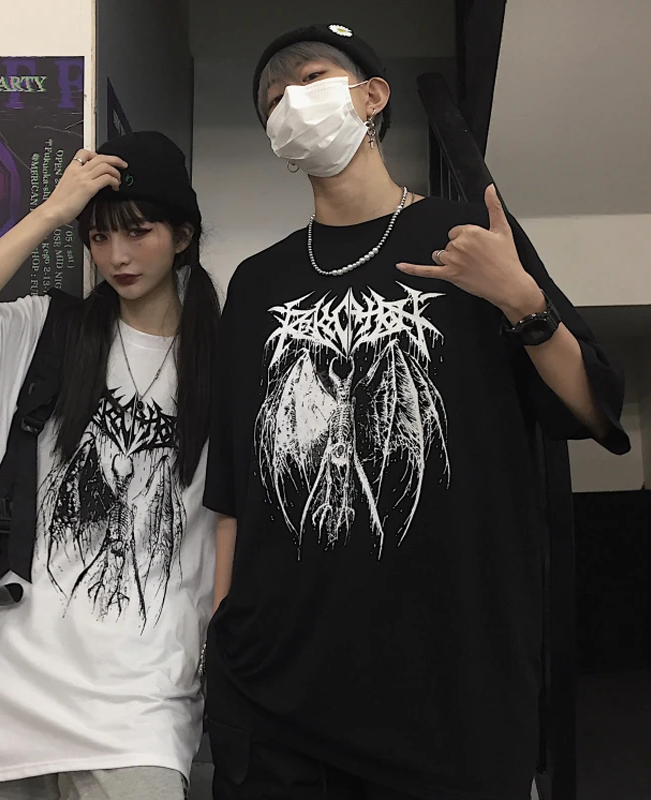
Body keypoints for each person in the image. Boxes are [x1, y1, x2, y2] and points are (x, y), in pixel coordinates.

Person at [204, 23, 630, 800]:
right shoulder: (258, 283)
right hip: (280, 692)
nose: (290, 101)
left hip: (450, 693)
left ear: (372, 95)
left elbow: (593, 410)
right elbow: (236, 484)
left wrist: (520, 299)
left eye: (310, 78)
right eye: (272, 99)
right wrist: (221, 637)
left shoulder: (464, 237)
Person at [0, 131, 219, 799]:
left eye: (138, 231)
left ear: (183, 236)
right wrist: (54, 211)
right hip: (3, 674)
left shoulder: (223, 360)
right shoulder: (47, 330)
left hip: (141, 688)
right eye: (99, 237)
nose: (117, 256)